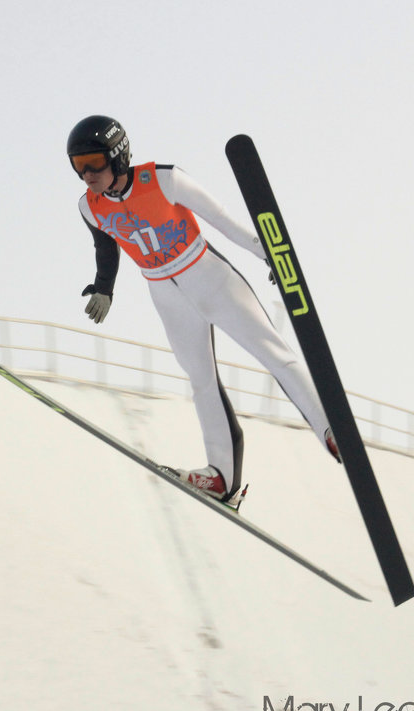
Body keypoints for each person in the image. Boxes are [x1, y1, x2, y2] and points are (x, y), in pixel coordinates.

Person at [66, 114, 338, 508]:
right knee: (200, 379)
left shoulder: (164, 179)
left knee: (273, 354)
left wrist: (270, 255)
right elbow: (106, 248)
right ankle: (222, 477)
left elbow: (223, 221)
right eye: (78, 165)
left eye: (93, 162)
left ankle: (331, 429)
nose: (87, 174)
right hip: (164, 292)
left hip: (207, 275)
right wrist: (104, 288)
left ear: (118, 155)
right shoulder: (88, 206)